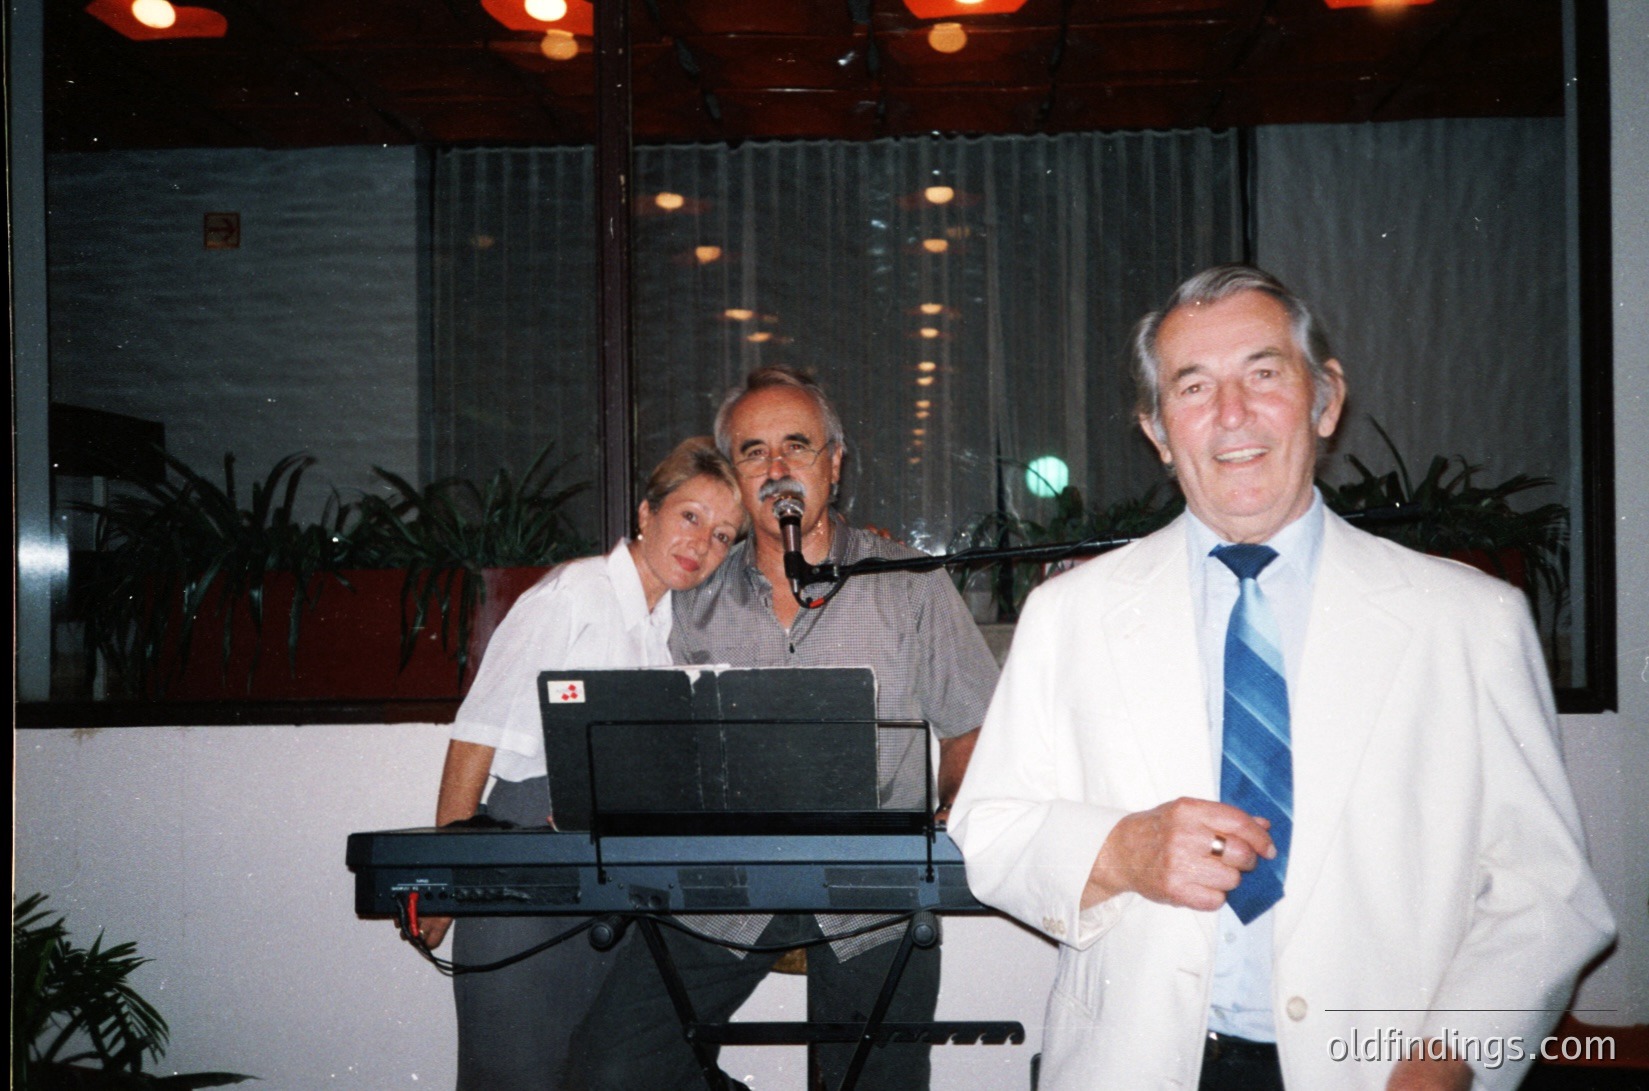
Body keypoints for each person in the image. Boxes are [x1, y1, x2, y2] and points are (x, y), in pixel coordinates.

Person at [949, 265, 1615, 1091]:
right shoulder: (1068, 615)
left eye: (1263, 375)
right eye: (1194, 387)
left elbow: (1546, 891)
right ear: (1157, 430)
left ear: (1324, 399)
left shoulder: (1468, 621)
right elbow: (991, 829)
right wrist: (1120, 850)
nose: (1232, 415)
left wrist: (1447, 1063)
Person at [567, 366, 1002, 1091]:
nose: (775, 469)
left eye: (796, 446)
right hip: (721, 887)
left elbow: (973, 728)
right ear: (731, 478)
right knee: (610, 1071)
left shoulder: (907, 580)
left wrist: (955, 805)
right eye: (751, 452)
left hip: (876, 893)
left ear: (834, 463)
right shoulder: (692, 596)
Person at [417, 436, 747, 1091]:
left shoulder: (665, 633)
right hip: (523, 866)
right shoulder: (572, 594)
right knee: (514, 1074)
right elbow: (474, 737)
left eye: (721, 535)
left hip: (606, 880)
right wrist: (442, 881)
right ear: (646, 511)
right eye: (690, 516)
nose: (700, 543)